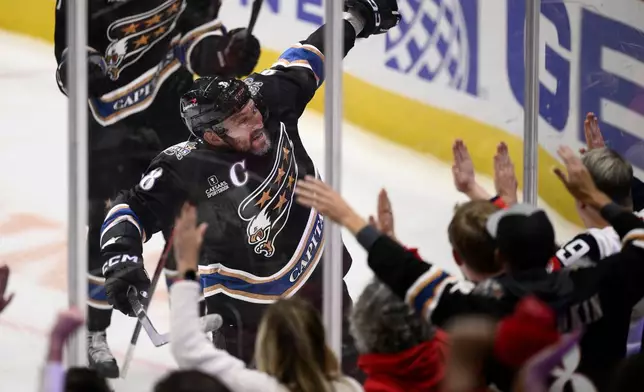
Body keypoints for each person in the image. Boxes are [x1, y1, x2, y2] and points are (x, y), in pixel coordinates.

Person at [98, 0, 401, 377]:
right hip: (247, 317)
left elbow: (310, 56)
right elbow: (130, 208)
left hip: (319, 283)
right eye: (242, 121)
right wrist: (121, 259)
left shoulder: (266, 97)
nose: (256, 120)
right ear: (212, 134)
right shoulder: (183, 165)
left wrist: (354, 18)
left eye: (252, 109)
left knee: (353, 378)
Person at [294, 145, 644, 391]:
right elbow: (639, 238)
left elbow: (408, 274)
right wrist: (598, 199)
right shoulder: (606, 281)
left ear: (500, 257)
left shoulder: (484, 311)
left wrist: (349, 218)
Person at [54, 0, 261, 377]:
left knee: (186, 230)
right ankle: (95, 331)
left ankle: (198, 323)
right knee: (106, 233)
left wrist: (225, 56)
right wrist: (82, 70)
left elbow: (196, 41)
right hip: (109, 134)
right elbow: (69, 67)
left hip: (170, 124)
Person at [169, 203, 363, 392]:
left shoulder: (258, 387)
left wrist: (186, 265)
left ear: (267, 348)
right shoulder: (349, 387)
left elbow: (188, 348)